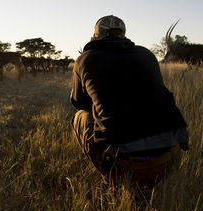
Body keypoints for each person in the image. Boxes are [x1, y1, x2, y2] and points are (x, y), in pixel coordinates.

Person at [70, 15, 189, 187]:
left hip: (127, 166)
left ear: (95, 37)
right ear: (124, 35)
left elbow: (78, 102)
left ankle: (111, 179)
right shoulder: (147, 54)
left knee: (80, 117)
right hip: (170, 158)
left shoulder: (85, 58)